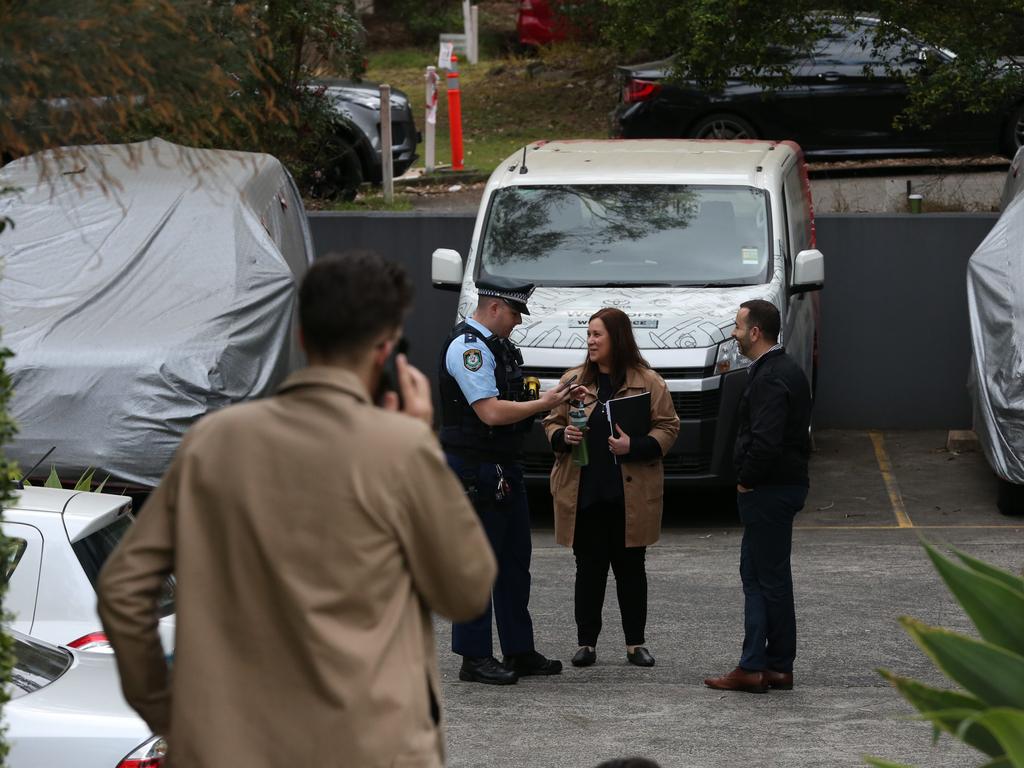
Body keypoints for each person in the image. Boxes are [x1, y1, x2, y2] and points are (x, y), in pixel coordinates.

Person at [98, 251, 498, 768]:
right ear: (386, 350)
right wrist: (422, 441)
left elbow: (124, 588)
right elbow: (466, 590)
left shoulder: (213, 442)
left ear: (304, 338)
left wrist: (166, 710)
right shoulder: (400, 448)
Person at [439, 276, 571, 685]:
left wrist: (555, 395)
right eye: (514, 313)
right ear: (494, 307)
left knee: (515, 562)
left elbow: (513, 398)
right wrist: (545, 404)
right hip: (474, 468)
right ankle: (474, 656)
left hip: (504, 465)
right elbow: (491, 413)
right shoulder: (469, 349)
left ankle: (518, 649)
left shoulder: (499, 347)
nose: (516, 322)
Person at [543, 307, 679, 668]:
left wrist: (633, 446)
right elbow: (550, 422)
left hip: (629, 496)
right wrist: (563, 436)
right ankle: (586, 643)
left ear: (617, 338)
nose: (590, 340)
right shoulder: (573, 381)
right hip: (584, 492)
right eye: (588, 334)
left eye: (597, 334)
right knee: (588, 570)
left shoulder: (648, 381)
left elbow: (668, 427)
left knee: (631, 569)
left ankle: (635, 644)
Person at [704, 298, 812, 694]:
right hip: (784, 486)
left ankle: (752, 666)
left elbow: (765, 441)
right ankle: (779, 666)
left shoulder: (768, 377)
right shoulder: (787, 369)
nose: (733, 334)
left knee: (757, 578)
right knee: (774, 577)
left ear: (754, 332)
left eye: (736, 327)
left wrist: (746, 479)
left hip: (767, 490)